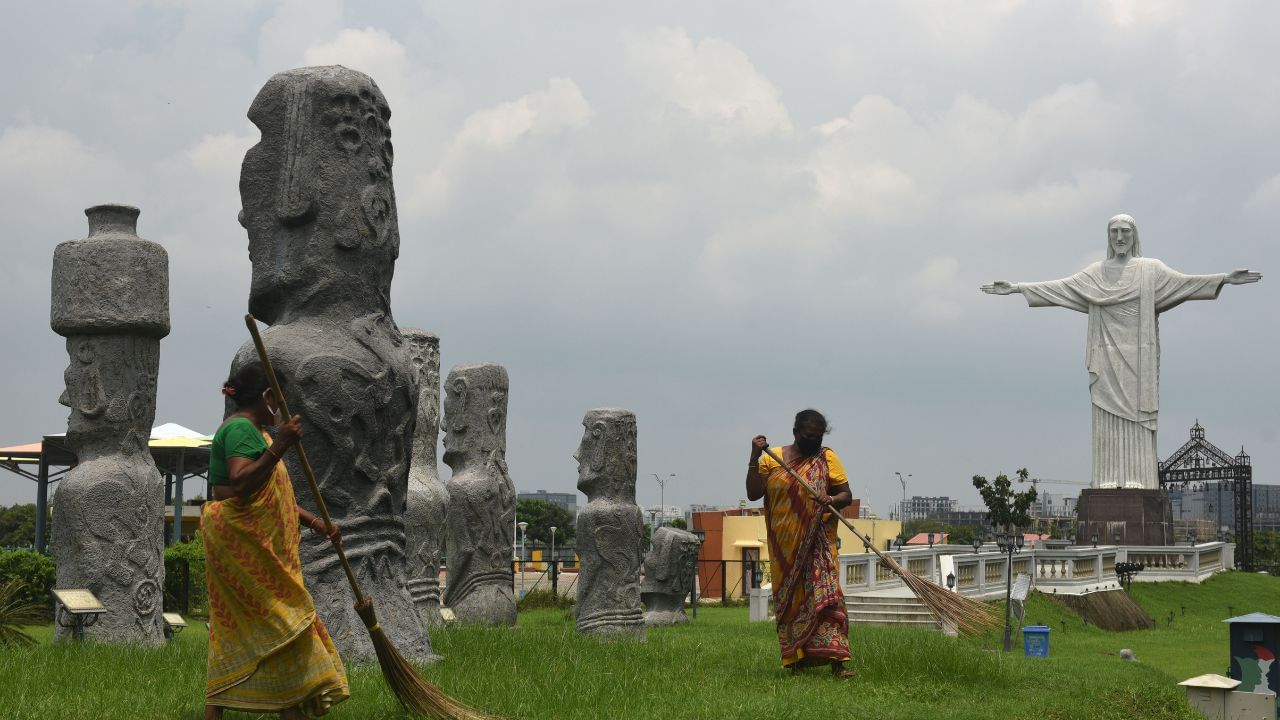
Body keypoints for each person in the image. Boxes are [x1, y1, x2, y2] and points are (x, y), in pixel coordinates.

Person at [981, 214, 1261, 489]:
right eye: (1114, 231)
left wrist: (1224, 278)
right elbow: (1061, 287)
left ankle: (1139, 479)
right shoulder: (1096, 273)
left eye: (1125, 231)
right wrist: (1017, 288)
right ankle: (1107, 479)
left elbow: (1186, 284)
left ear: (1134, 235)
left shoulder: (1150, 270)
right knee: (1107, 419)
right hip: (1106, 358)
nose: (1119, 237)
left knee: (1138, 420)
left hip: (1140, 360)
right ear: (1108, 236)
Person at [201, 363, 349, 719]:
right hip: (242, 545)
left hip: (262, 548)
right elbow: (240, 483)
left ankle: (289, 710)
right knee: (286, 622)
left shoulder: (260, 434)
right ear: (268, 396)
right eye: (279, 400)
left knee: (276, 629)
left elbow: (271, 491)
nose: (281, 409)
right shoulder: (240, 429)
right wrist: (281, 445)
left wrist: (313, 521)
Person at [747, 409, 855, 678]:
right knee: (792, 602)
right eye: (809, 437)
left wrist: (830, 500)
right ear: (796, 433)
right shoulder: (773, 460)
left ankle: (837, 663)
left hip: (818, 543)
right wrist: (753, 457)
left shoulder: (826, 458)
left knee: (827, 598)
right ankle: (795, 661)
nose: (813, 442)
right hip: (784, 549)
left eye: (818, 438)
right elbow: (753, 493)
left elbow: (846, 495)